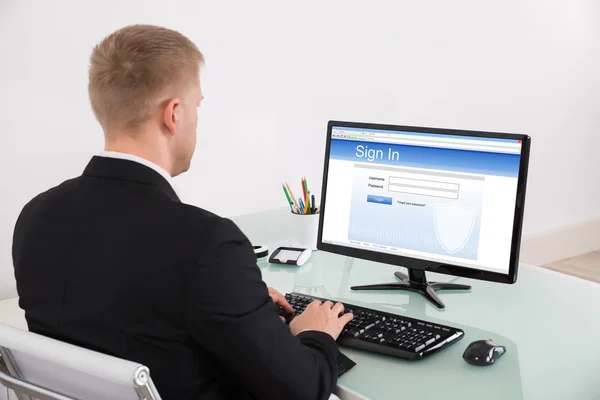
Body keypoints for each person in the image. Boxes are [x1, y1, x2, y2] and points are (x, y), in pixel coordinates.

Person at [12, 24, 353, 400]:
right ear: (173, 114)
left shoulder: (36, 216)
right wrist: (315, 332)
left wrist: (239, 301)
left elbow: (126, 309)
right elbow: (302, 391)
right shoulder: (206, 243)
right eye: (197, 106)